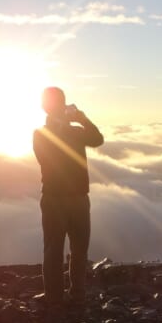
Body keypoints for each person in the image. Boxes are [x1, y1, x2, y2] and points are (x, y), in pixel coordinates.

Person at [33, 86, 104, 309]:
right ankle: (56, 298)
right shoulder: (41, 134)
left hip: (75, 198)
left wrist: (82, 119)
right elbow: (48, 160)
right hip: (58, 198)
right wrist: (70, 125)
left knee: (77, 249)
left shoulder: (74, 132)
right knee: (56, 250)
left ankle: (75, 296)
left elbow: (97, 139)